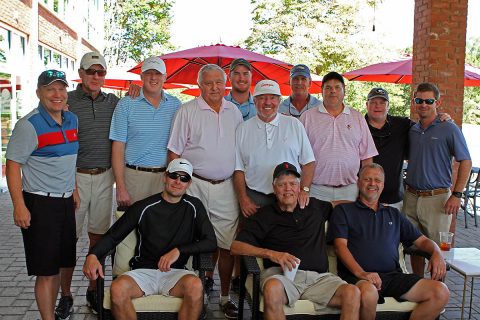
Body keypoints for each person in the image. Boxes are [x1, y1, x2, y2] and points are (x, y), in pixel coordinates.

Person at [82, 158, 217, 320]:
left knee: (196, 286)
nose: (177, 182)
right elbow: (113, 236)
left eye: (184, 178)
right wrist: (93, 255)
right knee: (117, 289)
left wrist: (179, 251)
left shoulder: (194, 206)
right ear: (165, 177)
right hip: (143, 272)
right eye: (174, 176)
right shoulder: (144, 206)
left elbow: (211, 242)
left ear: (189, 183)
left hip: (177, 274)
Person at [231, 162, 361, 320]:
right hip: (283, 278)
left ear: (299, 187)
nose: (288, 189)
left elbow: (338, 205)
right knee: (272, 289)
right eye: (282, 184)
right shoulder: (264, 215)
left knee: (352, 293)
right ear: (274, 188)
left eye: (292, 184)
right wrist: (272, 254)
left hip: (318, 279)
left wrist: (369, 204)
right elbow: (236, 247)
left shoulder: (314, 206)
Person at [167, 64, 243, 318]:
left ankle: (223, 296)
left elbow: (241, 153)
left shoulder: (234, 112)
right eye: (208, 83)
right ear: (200, 85)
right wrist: (176, 186)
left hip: (226, 186)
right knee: (190, 240)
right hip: (194, 184)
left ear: (225, 84)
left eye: (218, 82)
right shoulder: (187, 110)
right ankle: (192, 297)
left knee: (227, 243)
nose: (214, 87)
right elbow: (174, 151)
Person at [329, 163, 450, 320]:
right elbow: (340, 247)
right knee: (369, 293)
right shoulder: (344, 211)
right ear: (358, 182)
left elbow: (422, 241)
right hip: (357, 277)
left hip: (392, 277)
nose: (373, 184)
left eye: (377, 180)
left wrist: (436, 252)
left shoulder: (393, 213)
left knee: (441, 292)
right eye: (367, 179)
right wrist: (362, 273)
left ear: (383, 185)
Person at [6, 70, 79, 320]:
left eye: (61, 88)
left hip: (65, 201)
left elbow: (69, 160)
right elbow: (13, 165)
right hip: (40, 204)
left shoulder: (72, 120)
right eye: (50, 89)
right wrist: (19, 206)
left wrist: (74, 190)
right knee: (46, 271)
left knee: (60, 262)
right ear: (39, 92)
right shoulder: (28, 125)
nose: (57, 94)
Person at [55, 52, 119, 318]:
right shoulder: (66, 101)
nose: (95, 76)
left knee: (99, 238)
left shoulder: (115, 102)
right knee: (68, 240)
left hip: (106, 177)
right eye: (90, 71)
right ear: (80, 74)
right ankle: (66, 295)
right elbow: (57, 144)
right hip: (75, 178)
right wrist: (70, 184)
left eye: (100, 72)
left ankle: (94, 290)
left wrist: (137, 96)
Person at [404, 82, 472, 277]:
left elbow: (466, 160)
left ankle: (438, 296)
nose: (423, 104)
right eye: (419, 100)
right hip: (411, 197)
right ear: (414, 102)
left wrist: (457, 194)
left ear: (437, 102)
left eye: (429, 101)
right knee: (414, 246)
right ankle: (418, 284)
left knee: (438, 252)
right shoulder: (413, 130)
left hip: (437, 199)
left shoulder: (448, 128)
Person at [234, 79, 315, 217]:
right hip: (255, 199)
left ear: (279, 100)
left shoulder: (294, 124)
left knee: (289, 237)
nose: (267, 102)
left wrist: (304, 190)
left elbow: (309, 162)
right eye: (262, 98)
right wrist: (243, 199)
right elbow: (238, 169)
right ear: (254, 101)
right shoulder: (243, 129)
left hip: (289, 196)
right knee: (254, 238)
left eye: (272, 98)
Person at [110, 56, 181, 207]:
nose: (153, 77)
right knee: (131, 228)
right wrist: (120, 187)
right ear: (141, 76)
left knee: (162, 228)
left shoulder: (176, 105)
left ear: (165, 77)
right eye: (149, 73)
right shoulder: (126, 104)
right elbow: (118, 147)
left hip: (165, 178)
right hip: (134, 178)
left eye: (158, 73)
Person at [300, 71, 377, 204]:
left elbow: (367, 157)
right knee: (318, 225)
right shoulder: (307, 117)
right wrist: (304, 188)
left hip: (349, 190)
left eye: (337, 87)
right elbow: (297, 155)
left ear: (344, 91)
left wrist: (365, 187)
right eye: (328, 88)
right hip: (316, 189)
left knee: (347, 225)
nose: (333, 91)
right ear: (322, 91)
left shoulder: (357, 117)